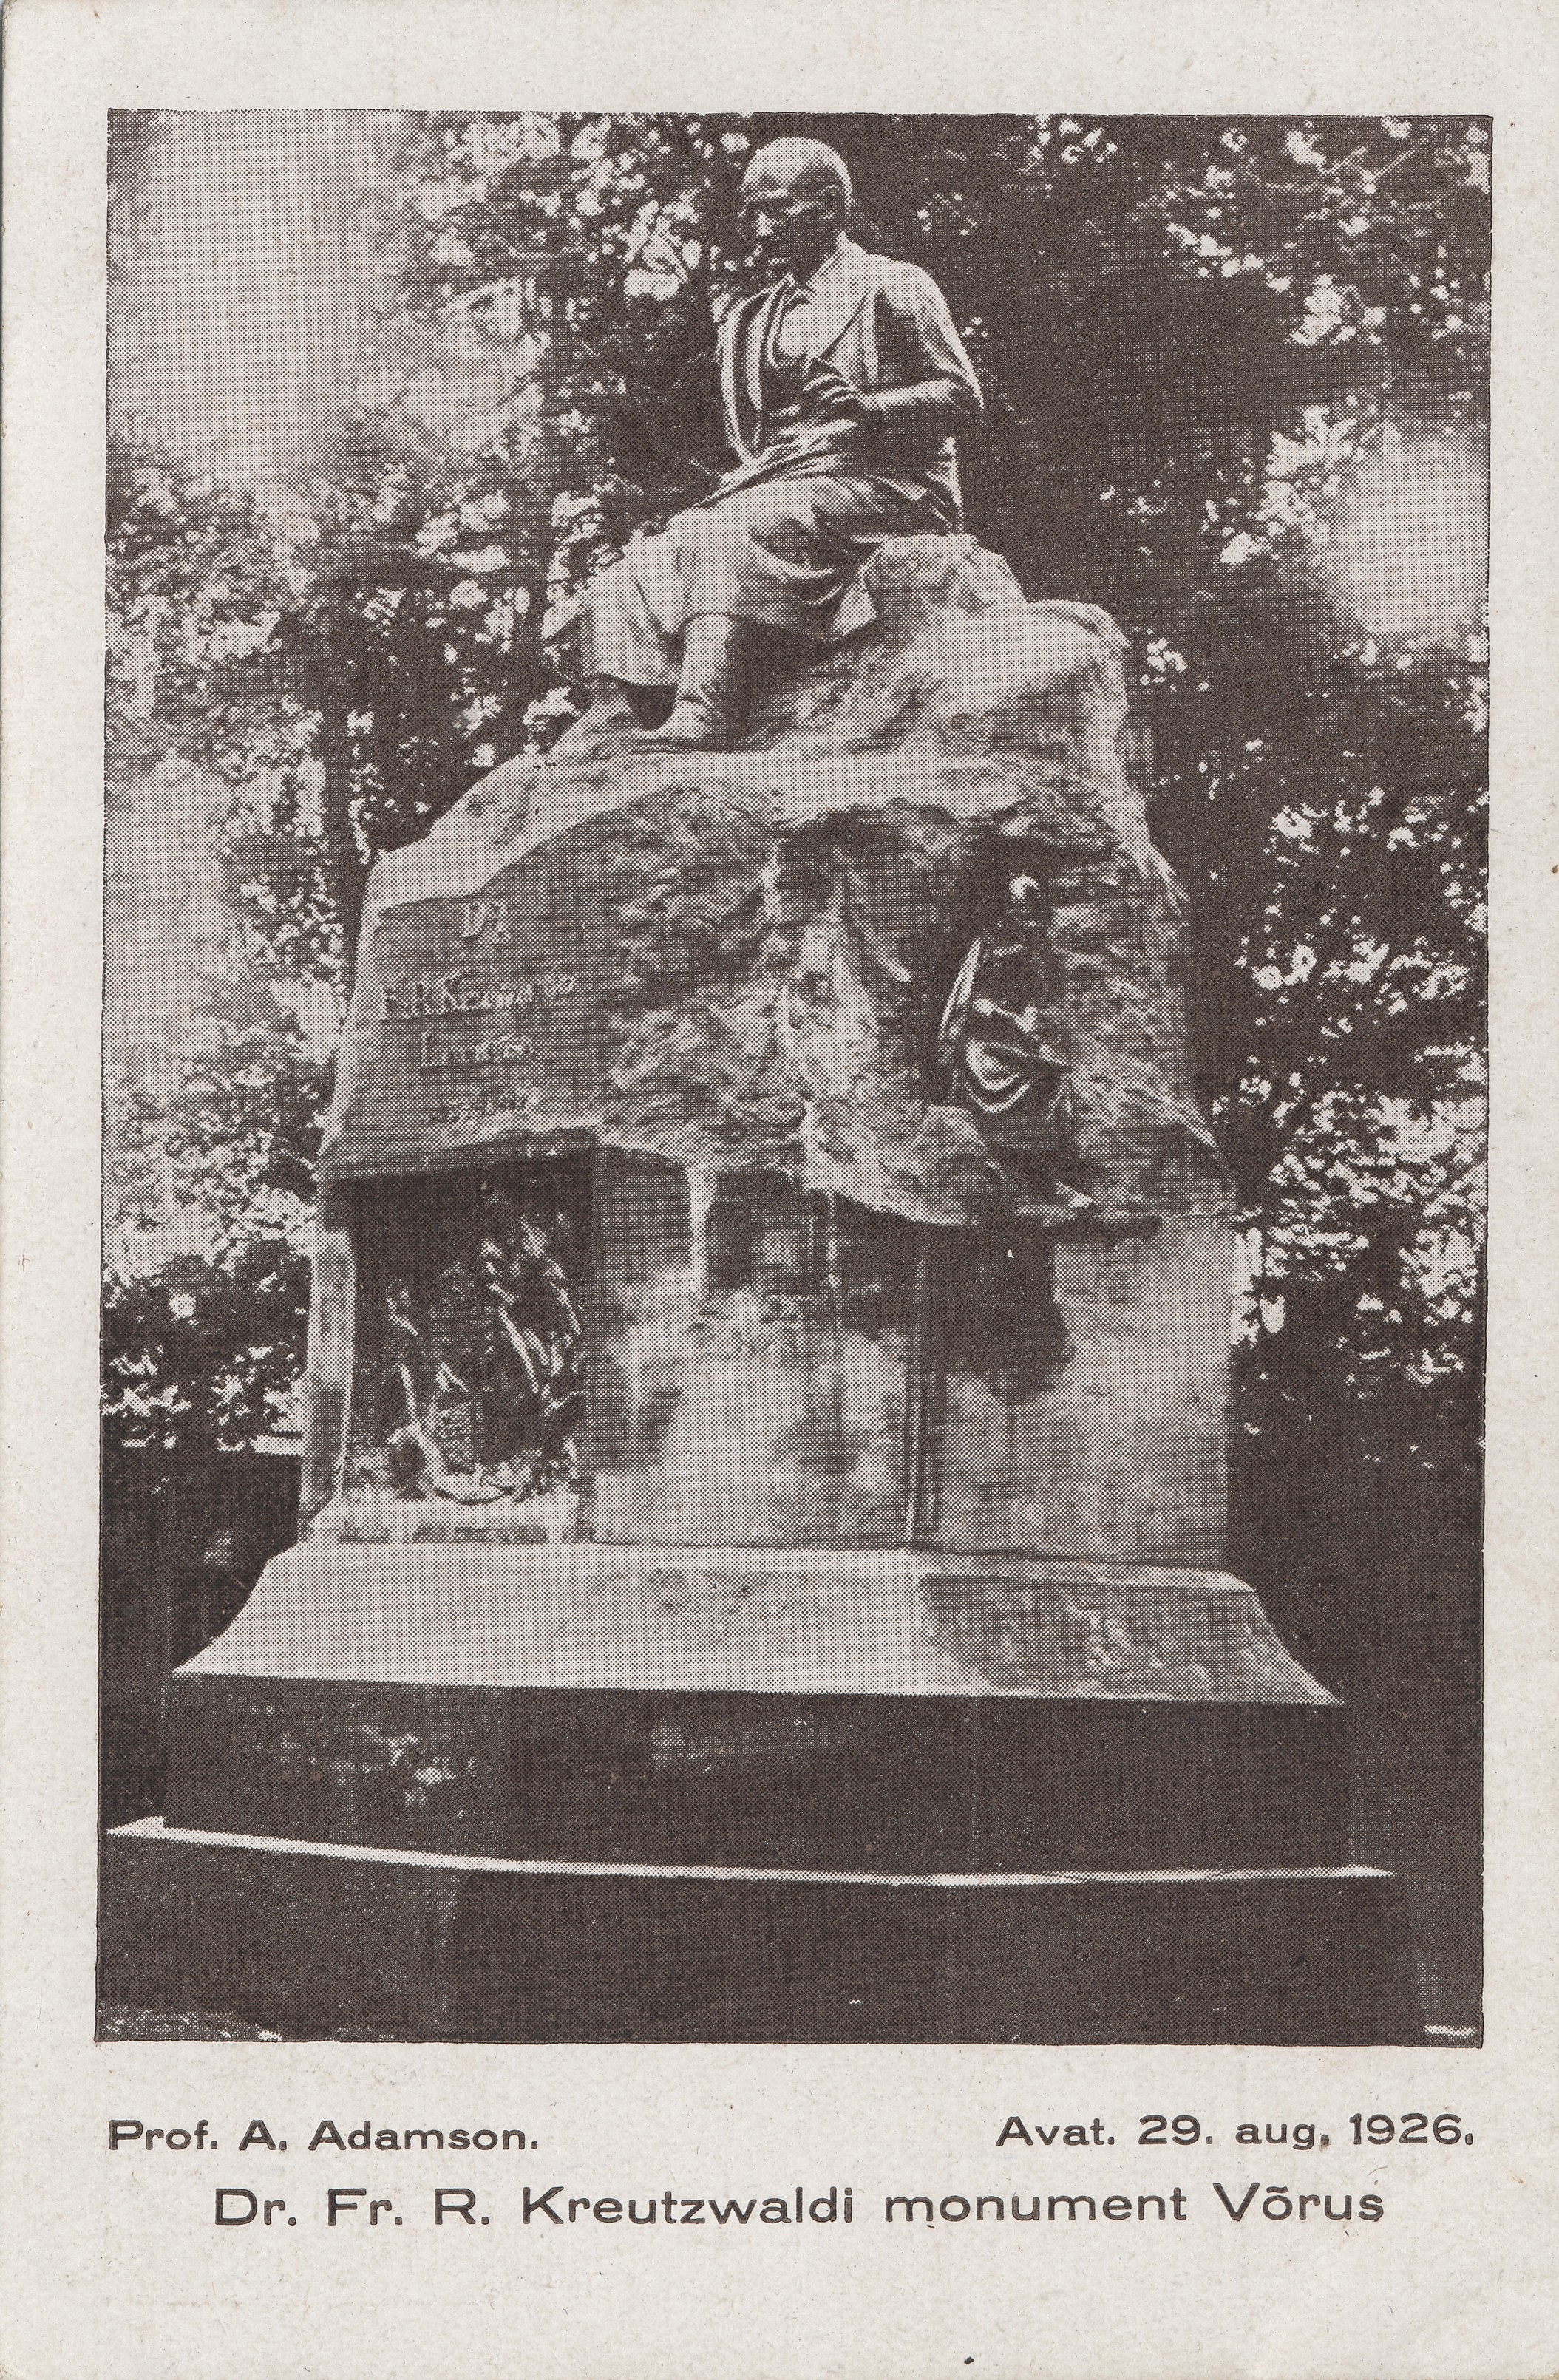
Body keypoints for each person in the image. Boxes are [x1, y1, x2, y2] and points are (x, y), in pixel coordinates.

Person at [560, 135, 983, 755]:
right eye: (750, 214)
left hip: (888, 483)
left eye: (777, 210)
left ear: (831, 209)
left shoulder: (892, 285)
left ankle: (702, 713)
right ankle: (613, 706)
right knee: (642, 560)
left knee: (732, 529)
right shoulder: (754, 318)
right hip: (786, 481)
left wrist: (870, 409)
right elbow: (752, 438)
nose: (760, 230)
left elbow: (961, 398)